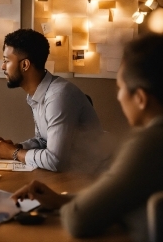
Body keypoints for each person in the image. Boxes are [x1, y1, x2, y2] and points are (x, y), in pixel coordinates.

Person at [11, 33, 163, 242]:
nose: (118, 97)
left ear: (140, 98)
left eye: (120, 89)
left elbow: (78, 219)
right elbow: (121, 198)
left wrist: (72, 206)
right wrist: (60, 200)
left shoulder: (148, 143)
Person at [0, 29, 110, 173]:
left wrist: (13, 153)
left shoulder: (59, 96)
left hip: (92, 178)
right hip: (71, 174)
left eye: (6, 60)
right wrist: (18, 147)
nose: (3, 66)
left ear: (25, 65)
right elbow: (44, 141)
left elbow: (55, 160)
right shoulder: (37, 94)